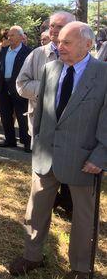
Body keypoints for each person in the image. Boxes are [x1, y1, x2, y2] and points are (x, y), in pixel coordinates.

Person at [9, 22, 107, 279]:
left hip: (84, 158)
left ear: (88, 44)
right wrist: (37, 143)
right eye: (58, 41)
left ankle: (81, 268)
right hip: (46, 155)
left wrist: (100, 155)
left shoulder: (103, 74)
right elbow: (41, 112)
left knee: (84, 218)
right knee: (37, 209)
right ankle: (32, 255)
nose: (59, 46)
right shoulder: (50, 68)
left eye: (66, 42)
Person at [16, 11, 76, 217]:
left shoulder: (83, 56)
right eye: (51, 26)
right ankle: (44, 205)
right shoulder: (37, 55)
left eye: (59, 27)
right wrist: (50, 87)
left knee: (69, 167)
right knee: (43, 170)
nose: (53, 30)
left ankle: (68, 202)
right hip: (43, 126)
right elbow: (21, 85)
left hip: (72, 129)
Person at [0, 25, 31, 152]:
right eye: (9, 34)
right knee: (5, 115)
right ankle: (10, 140)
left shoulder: (28, 52)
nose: (9, 37)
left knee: (22, 115)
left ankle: (26, 142)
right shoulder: (3, 50)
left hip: (19, 87)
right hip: (3, 86)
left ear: (21, 37)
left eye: (13, 35)